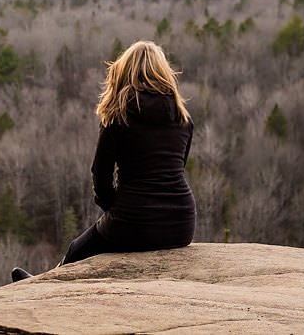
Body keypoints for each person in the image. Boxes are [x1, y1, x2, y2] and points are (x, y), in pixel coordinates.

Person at [12, 40, 195, 281]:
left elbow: (100, 173)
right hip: (181, 224)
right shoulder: (183, 118)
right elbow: (176, 168)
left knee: (77, 250)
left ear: (125, 72)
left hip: (134, 221)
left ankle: (40, 285)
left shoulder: (118, 115)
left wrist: (115, 207)